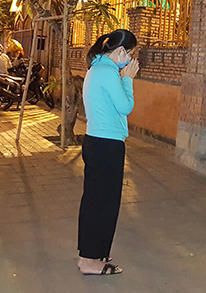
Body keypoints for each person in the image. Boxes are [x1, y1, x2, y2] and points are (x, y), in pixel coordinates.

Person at [77, 30, 139, 276]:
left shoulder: (97, 68)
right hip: (106, 144)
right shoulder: (108, 72)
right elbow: (126, 106)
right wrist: (128, 79)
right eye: (130, 54)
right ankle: (91, 260)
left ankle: (92, 253)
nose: (131, 60)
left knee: (96, 200)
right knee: (103, 203)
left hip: (97, 141)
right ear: (121, 51)